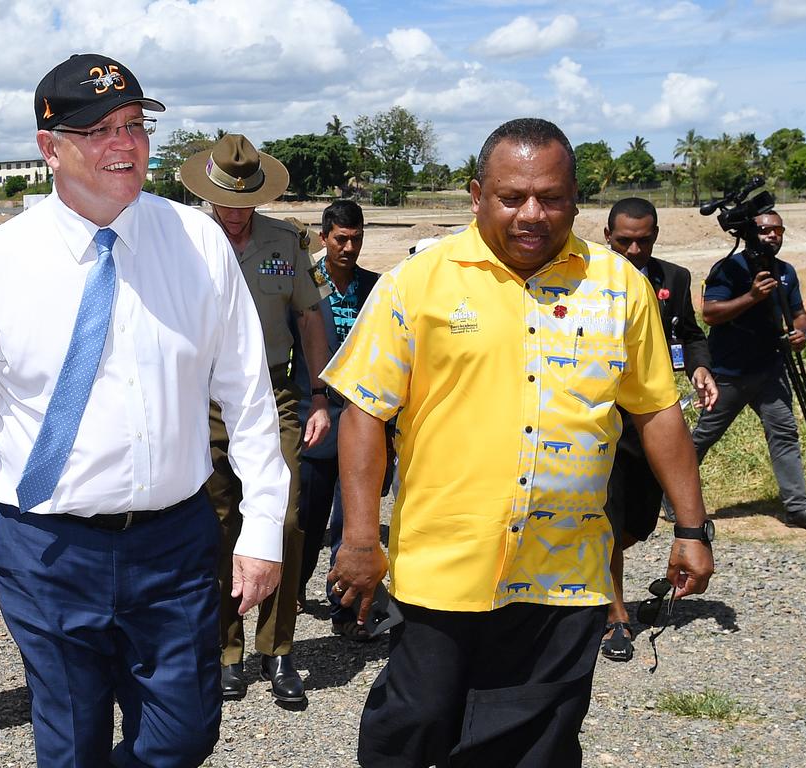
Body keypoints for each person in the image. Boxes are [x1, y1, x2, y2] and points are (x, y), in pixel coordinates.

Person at [0, 54, 289, 768]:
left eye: (133, 126)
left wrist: (264, 526)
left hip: (174, 544)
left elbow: (247, 395)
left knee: (184, 736)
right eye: (96, 131)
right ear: (48, 148)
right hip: (48, 552)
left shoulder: (197, 242)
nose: (123, 144)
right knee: (71, 741)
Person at [322, 118, 715, 768]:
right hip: (444, 571)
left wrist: (693, 528)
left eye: (552, 197)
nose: (533, 213)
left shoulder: (619, 288)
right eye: (512, 197)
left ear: (576, 199)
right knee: (412, 726)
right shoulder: (418, 283)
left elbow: (657, 413)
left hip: (565, 575)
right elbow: (364, 413)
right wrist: (361, 540)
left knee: (534, 746)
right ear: (477, 195)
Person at [180, 134, 332, 704]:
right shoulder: (184, 241)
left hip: (272, 395)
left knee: (285, 521)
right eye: (227, 201)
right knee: (217, 522)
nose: (237, 213)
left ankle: (279, 650)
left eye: (247, 201)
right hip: (202, 399)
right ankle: (226, 650)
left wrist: (319, 396)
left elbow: (310, 317)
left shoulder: (284, 241)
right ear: (209, 192)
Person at [599, 198, 719, 662]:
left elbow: (691, 334)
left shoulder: (674, 278)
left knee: (639, 523)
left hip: (650, 424)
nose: (633, 249)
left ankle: (586, 576)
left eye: (643, 240)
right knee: (606, 524)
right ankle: (615, 617)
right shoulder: (586, 281)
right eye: (624, 240)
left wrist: (700, 370)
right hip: (601, 424)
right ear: (606, 235)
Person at [692, 210, 806, 531]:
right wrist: (752, 296)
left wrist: (802, 333)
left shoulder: (786, 272)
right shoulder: (729, 268)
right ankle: (671, 498)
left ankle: (797, 508)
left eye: (778, 230)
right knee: (702, 437)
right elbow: (711, 314)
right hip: (727, 372)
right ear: (749, 233)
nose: (772, 235)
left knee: (784, 433)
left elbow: (799, 314)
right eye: (765, 230)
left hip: (770, 370)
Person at [292, 200, 382, 641]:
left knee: (351, 521)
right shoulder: (303, 282)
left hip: (360, 420)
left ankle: (345, 610)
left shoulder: (375, 288)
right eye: (341, 239)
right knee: (306, 516)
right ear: (324, 237)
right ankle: (293, 586)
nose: (349, 247)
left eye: (356, 238)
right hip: (315, 416)